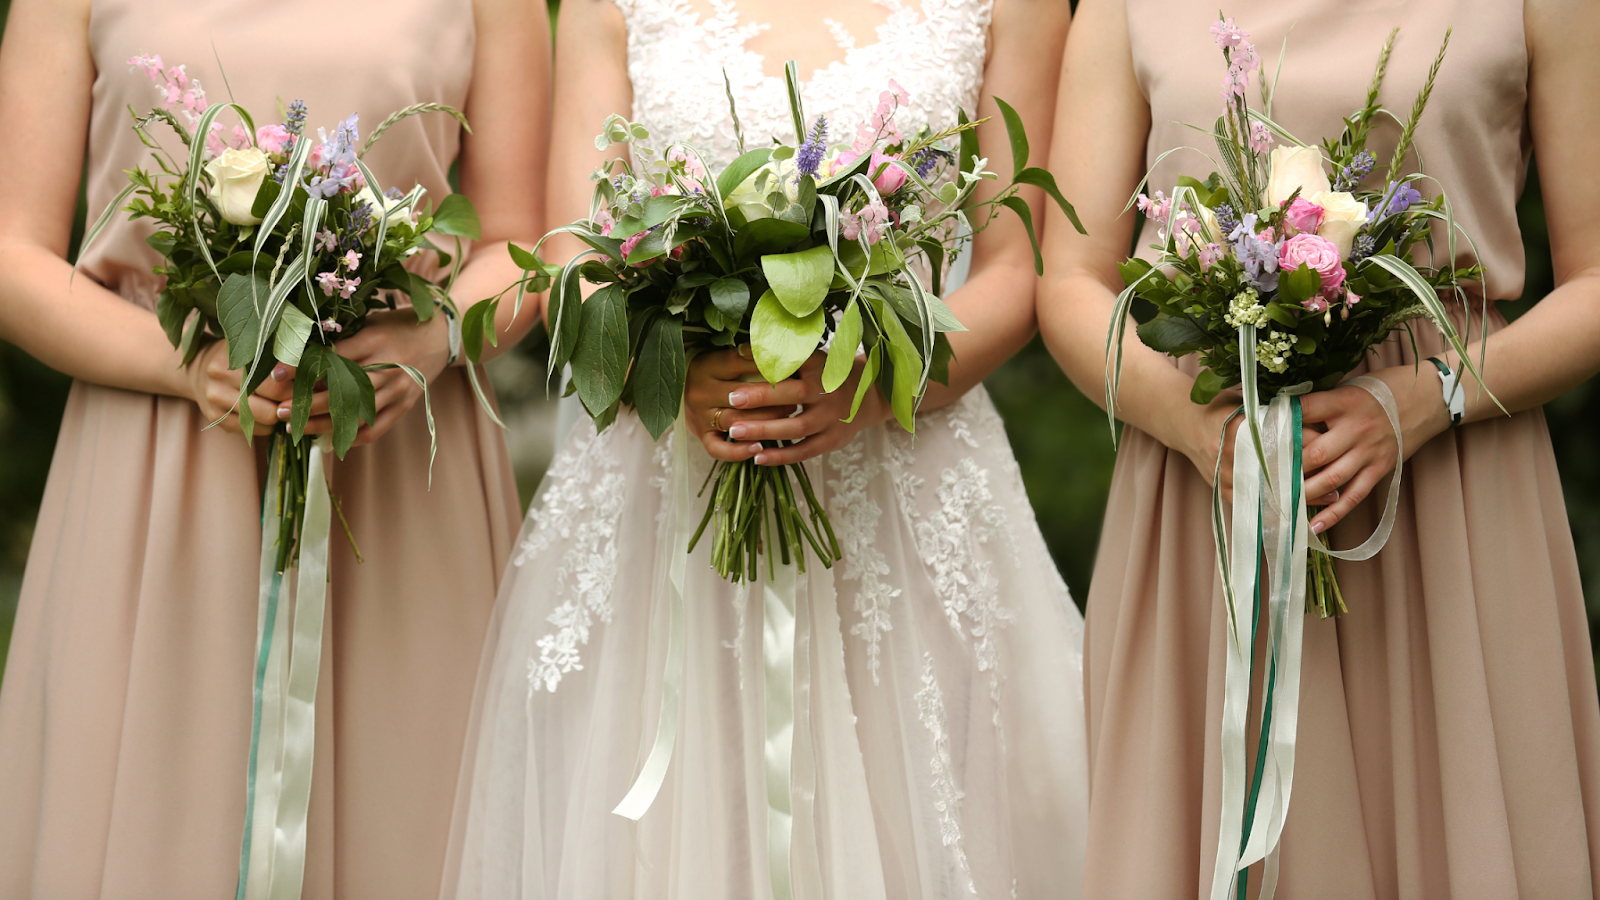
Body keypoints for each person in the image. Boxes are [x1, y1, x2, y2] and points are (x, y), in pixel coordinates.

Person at [443, 0, 1088, 896]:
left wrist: (870, 385)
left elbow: (1016, 269)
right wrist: (658, 371)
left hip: (905, 487)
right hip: (668, 490)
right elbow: (575, 256)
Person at [1038, 0, 1600, 894]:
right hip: (1208, 474)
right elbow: (1067, 281)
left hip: (1451, 480)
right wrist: (1192, 425)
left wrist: (1432, 395)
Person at [0, 0, 548, 895]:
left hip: (398, 462)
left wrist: (426, 341)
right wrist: (188, 366)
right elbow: (12, 255)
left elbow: (522, 238)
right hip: (158, 456)